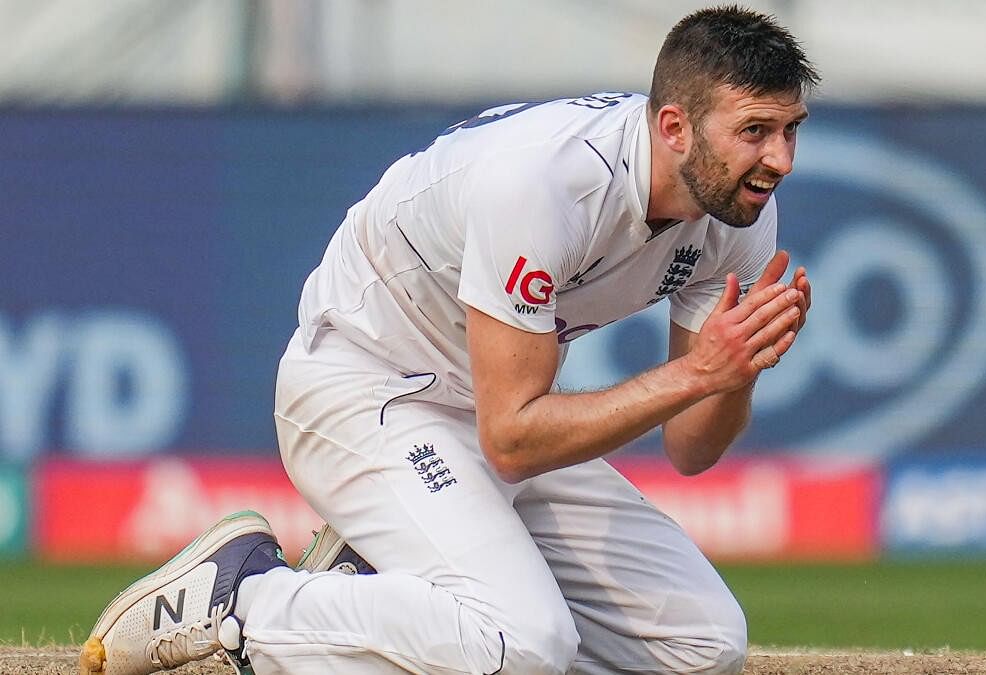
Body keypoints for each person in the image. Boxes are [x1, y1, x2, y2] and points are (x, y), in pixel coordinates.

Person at [79, 6, 818, 675]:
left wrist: (734, 368)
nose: (779, 159)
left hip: (486, 402)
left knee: (704, 646)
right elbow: (513, 439)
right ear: (674, 128)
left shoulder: (740, 215)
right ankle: (246, 600)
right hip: (366, 387)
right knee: (524, 643)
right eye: (754, 131)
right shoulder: (545, 183)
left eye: (790, 130)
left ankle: (381, 589)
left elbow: (690, 448)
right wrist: (698, 373)